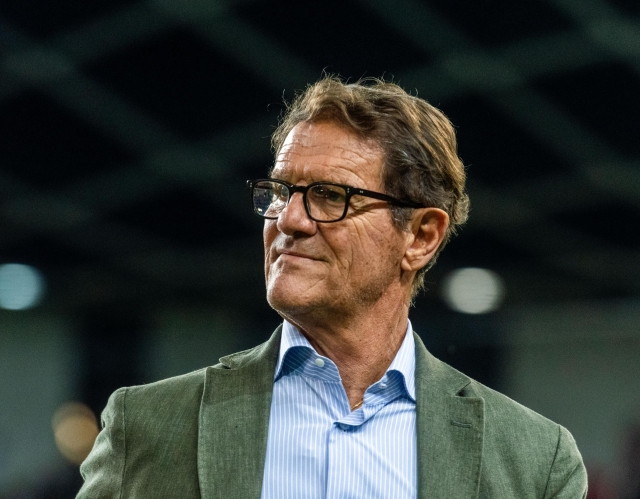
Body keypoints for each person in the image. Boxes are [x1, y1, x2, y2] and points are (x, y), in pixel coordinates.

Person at [76, 77, 587, 498]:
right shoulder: (146, 427)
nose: (289, 219)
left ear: (420, 236)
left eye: (329, 196)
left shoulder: (535, 462)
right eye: (280, 191)